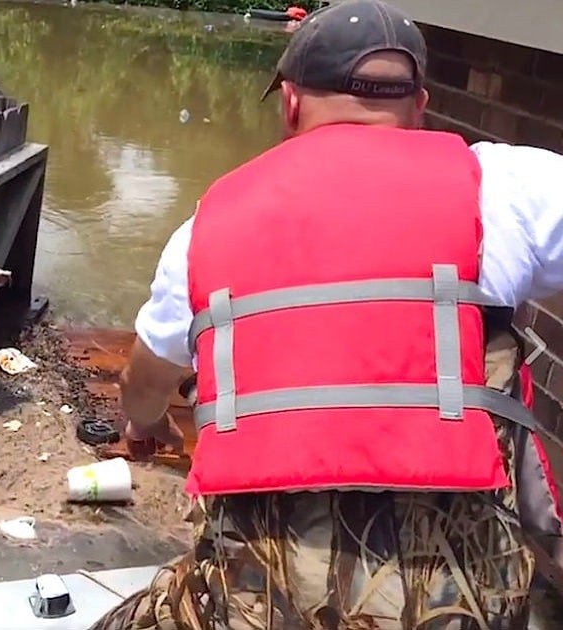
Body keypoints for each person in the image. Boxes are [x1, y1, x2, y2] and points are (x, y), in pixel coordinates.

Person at [91, 0, 563, 628]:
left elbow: (145, 386)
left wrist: (149, 428)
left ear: (290, 103)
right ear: (419, 104)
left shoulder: (210, 225)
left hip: (261, 604)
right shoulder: (506, 188)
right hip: (459, 602)